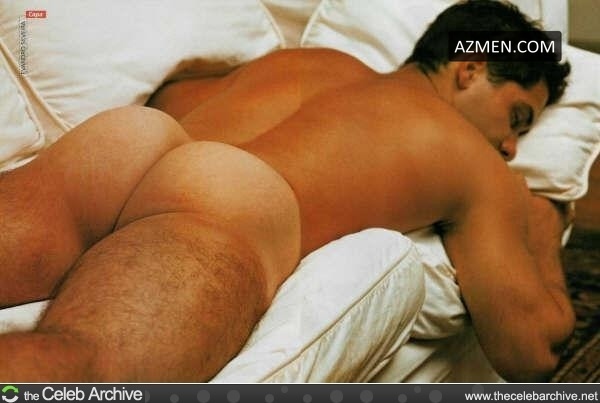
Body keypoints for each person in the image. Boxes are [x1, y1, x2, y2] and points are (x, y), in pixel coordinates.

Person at [0, 0, 573, 382]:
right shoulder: (473, 159)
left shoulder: (302, 62)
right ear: (470, 68)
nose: (511, 148)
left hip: (127, 146)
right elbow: (530, 351)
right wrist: (544, 225)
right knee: (79, 370)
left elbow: (174, 99)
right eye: (517, 118)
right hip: (225, 199)